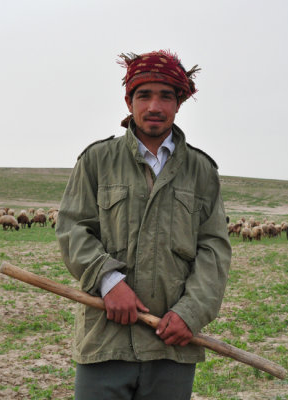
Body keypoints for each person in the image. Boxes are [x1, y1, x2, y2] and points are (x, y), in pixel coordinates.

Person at [56, 50, 232, 400]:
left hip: (172, 343)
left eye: (166, 95)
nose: (155, 106)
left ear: (179, 102)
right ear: (128, 100)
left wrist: (191, 313)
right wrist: (109, 281)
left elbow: (214, 249)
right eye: (144, 95)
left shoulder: (201, 172)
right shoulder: (97, 160)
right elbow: (73, 228)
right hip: (105, 341)